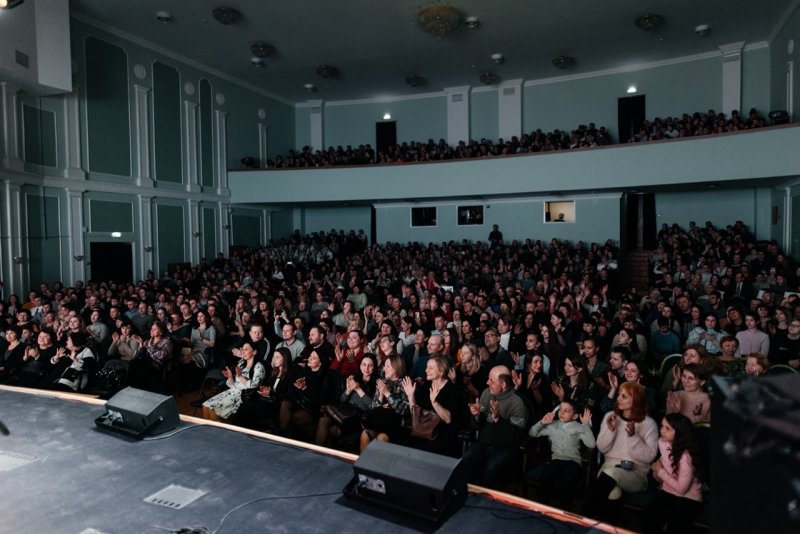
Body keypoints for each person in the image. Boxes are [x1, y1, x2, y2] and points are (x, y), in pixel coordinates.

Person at [583, 382, 658, 521]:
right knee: (612, 491)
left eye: (624, 396)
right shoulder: (611, 416)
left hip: (636, 474)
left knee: (609, 475)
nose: (618, 398)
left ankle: (584, 517)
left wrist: (633, 437)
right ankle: (607, 529)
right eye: (619, 395)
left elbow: (649, 457)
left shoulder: (649, 424)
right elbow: (601, 448)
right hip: (609, 467)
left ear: (635, 400)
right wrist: (611, 431)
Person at [461, 365, 529, 488]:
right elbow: (477, 427)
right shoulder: (487, 393)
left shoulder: (518, 403)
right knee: (465, 462)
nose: (487, 382)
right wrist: (476, 415)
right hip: (483, 443)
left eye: (491, 380)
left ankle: (485, 501)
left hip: (505, 449)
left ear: (503, 384)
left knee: (490, 470)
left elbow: (516, 437)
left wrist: (497, 419)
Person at [642, 413, 705, 533]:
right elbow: (665, 457)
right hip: (669, 490)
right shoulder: (662, 442)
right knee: (649, 516)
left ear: (679, 432)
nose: (662, 431)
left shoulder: (686, 456)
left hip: (689, 497)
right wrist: (659, 464)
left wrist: (659, 471)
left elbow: (682, 489)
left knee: (674, 526)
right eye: (662, 426)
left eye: (668, 428)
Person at [528, 399, 596, 510]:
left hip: (573, 462)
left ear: (574, 416)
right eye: (560, 410)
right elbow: (532, 433)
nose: (562, 413)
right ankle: (540, 509)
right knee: (545, 477)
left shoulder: (578, 427)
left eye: (566, 411)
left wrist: (585, 425)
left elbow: (591, 444)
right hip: (556, 460)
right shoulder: (552, 425)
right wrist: (542, 422)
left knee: (566, 482)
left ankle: (564, 511)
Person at [402, 355, 460, 457]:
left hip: (441, 434)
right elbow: (415, 414)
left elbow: (448, 419)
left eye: (431, 368)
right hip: (423, 431)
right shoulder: (426, 386)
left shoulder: (453, 390)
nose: (426, 370)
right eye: (427, 367)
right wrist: (411, 396)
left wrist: (435, 402)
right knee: (405, 447)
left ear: (441, 370)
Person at [315, 353, 378, 447]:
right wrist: (348, 390)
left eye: (370, 365)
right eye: (364, 364)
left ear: (374, 367)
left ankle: (325, 453)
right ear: (360, 366)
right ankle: (315, 452)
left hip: (358, 417)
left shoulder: (377, 384)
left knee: (331, 430)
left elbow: (373, 406)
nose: (366, 368)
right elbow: (342, 401)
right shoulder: (355, 378)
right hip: (345, 411)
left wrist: (358, 389)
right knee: (323, 420)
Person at [232, 347, 294, 430]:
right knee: (245, 406)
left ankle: (237, 430)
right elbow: (269, 388)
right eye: (274, 357)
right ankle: (235, 430)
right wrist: (265, 390)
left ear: (285, 358)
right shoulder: (275, 372)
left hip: (276, 405)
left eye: (277, 357)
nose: (274, 359)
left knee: (247, 407)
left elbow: (287, 395)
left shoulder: (290, 374)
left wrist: (270, 393)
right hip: (267, 400)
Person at [203, 340, 265, 421]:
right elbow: (234, 385)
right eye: (242, 349)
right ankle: (207, 433)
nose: (243, 351)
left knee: (212, 409)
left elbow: (254, 386)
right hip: (233, 391)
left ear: (254, 352)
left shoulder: (259, 367)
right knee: (205, 405)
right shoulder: (241, 363)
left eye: (246, 349)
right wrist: (230, 377)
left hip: (242, 396)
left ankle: (216, 432)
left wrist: (240, 376)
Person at [360, 354, 410, 451]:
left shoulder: (405, 383)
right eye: (384, 366)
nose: (384, 369)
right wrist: (380, 396)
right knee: (365, 434)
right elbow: (372, 408)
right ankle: (361, 465)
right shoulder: (383, 382)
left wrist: (387, 394)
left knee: (381, 438)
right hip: (380, 422)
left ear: (397, 367)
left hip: (397, 425)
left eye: (388, 366)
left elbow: (405, 411)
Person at [127, 321, 173, 392]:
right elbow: (136, 355)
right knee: (132, 363)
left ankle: (141, 392)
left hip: (156, 366)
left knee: (141, 373)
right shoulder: (147, 341)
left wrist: (149, 346)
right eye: (151, 328)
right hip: (145, 362)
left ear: (160, 332)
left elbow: (159, 357)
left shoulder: (167, 342)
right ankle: (129, 389)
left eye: (154, 329)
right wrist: (141, 345)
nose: (151, 330)